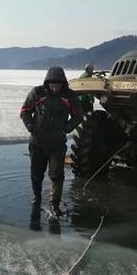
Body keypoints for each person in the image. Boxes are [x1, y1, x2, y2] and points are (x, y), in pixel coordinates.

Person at [20, 66, 83, 217]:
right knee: (36, 173)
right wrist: (31, 127)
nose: (54, 88)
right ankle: (37, 196)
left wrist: (66, 129)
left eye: (58, 85)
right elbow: (24, 111)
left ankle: (54, 204)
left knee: (56, 175)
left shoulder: (69, 96)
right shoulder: (37, 92)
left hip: (57, 143)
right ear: (47, 83)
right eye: (52, 85)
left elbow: (78, 116)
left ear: (63, 83)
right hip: (37, 141)